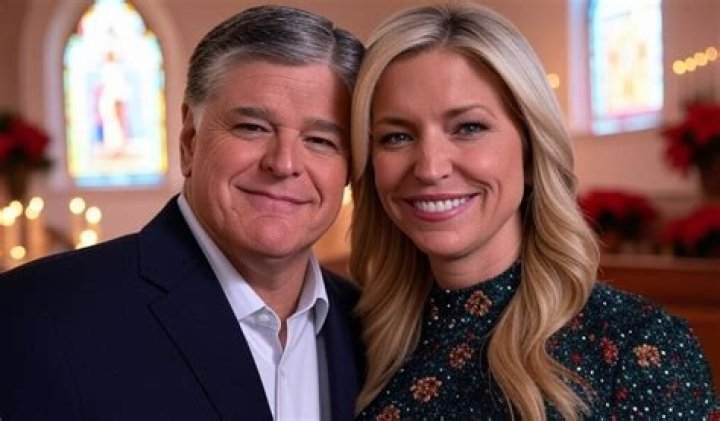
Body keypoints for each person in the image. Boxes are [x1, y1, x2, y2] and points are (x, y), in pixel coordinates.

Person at [349, 3, 719, 419]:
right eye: (396, 136)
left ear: (530, 152)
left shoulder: (639, 348)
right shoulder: (356, 341)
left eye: (469, 128)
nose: (430, 168)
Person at [0, 5, 364, 420]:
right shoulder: (35, 316)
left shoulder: (373, 333)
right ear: (189, 140)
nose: (283, 164)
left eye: (320, 140)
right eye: (252, 127)